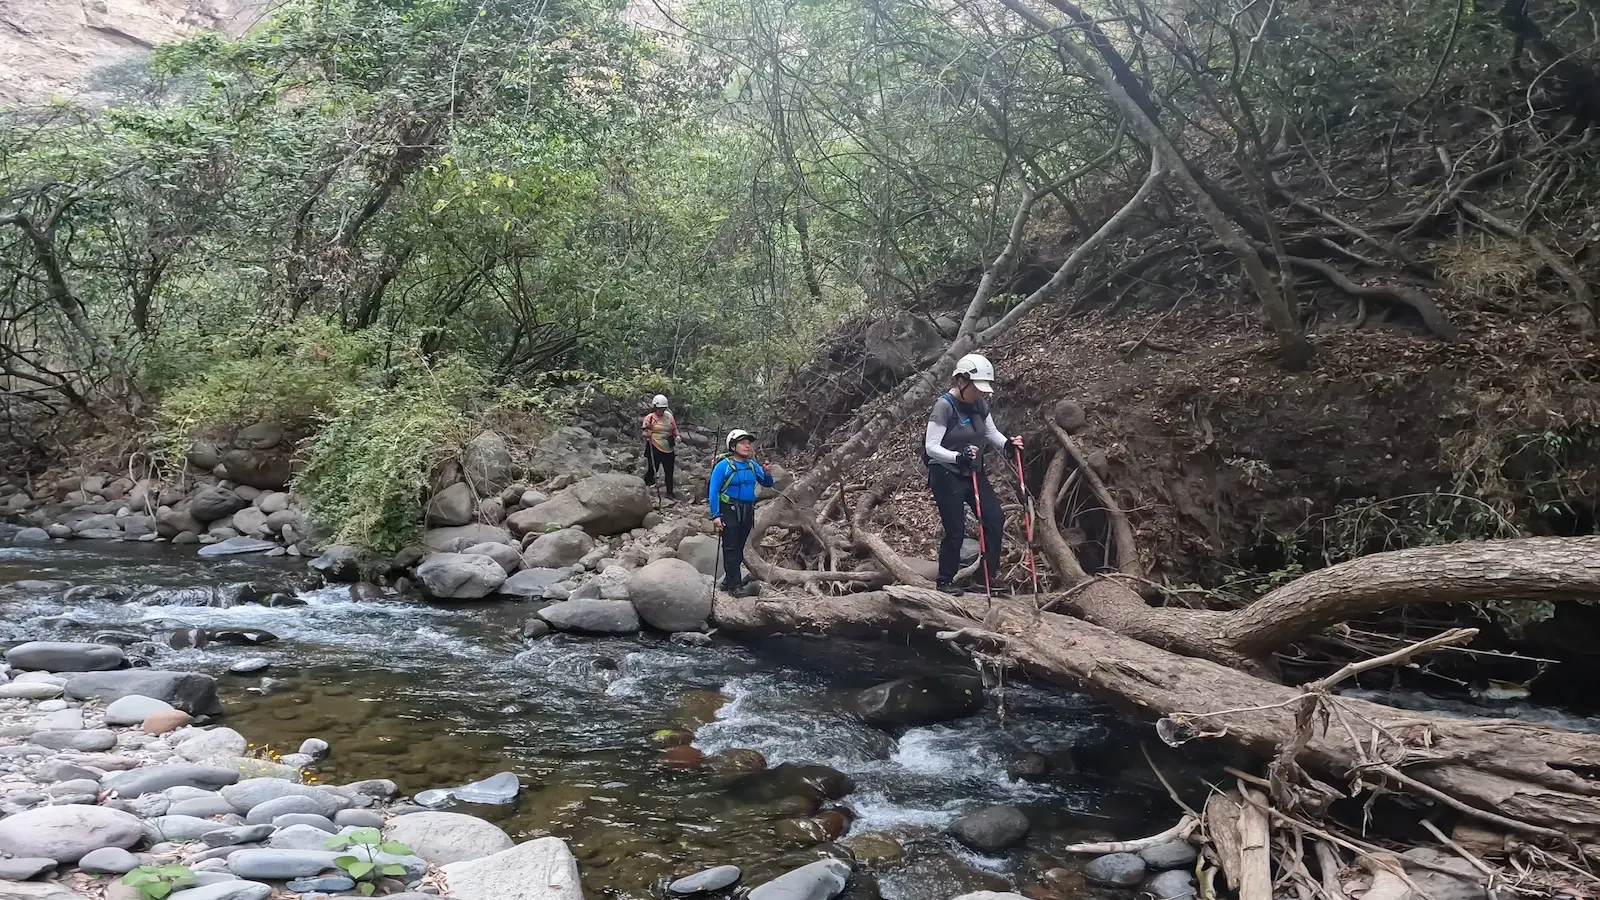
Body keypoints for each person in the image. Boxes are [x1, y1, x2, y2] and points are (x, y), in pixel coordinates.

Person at [923, 353, 1024, 595]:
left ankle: (985, 578)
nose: (980, 393)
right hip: (946, 473)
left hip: (973, 471)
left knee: (994, 519)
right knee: (955, 527)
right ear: (961, 381)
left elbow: (990, 432)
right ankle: (945, 580)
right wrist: (957, 457)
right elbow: (931, 447)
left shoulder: (979, 403)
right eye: (976, 388)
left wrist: (1008, 445)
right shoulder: (945, 406)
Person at [709, 428, 774, 597]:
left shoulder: (752, 465)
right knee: (731, 547)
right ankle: (735, 586)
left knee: (739, 547)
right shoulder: (723, 466)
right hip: (729, 509)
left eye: (749, 443)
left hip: (747, 511)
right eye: (743, 443)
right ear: (732, 446)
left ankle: (727, 581)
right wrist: (716, 515)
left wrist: (767, 474)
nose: (747, 446)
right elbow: (713, 490)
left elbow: (767, 483)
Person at [641, 394, 678, 499]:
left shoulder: (669, 416)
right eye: (659, 409)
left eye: (663, 409)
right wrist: (647, 434)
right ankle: (644, 485)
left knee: (669, 471)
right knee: (653, 469)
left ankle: (669, 492)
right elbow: (644, 431)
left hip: (668, 447)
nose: (661, 411)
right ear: (655, 408)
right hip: (654, 446)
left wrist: (678, 436)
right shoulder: (650, 418)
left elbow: (674, 429)